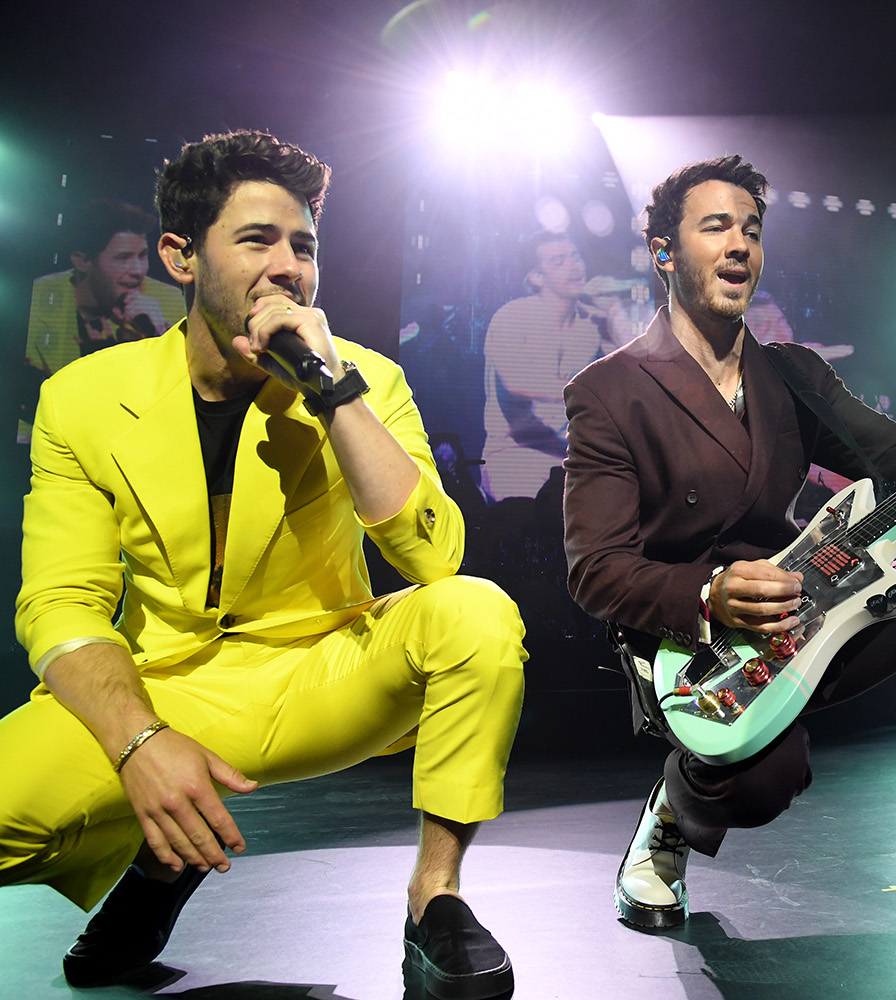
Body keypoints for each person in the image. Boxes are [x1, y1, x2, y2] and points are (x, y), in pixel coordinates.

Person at [0, 131, 525, 998]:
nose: (288, 267)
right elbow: (60, 604)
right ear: (180, 256)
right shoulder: (83, 399)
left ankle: (436, 897)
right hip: (162, 688)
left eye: (304, 246)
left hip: (324, 671)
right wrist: (138, 740)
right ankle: (157, 869)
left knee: (476, 609)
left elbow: (435, 556)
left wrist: (331, 390)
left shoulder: (366, 379)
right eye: (256, 241)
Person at [562, 154, 896, 929]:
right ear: (662, 251)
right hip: (704, 652)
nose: (739, 246)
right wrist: (709, 593)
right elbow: (597, 570)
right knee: (762, 787)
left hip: (816, 608)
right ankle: (670, 818)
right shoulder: (608, 391)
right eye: (715, 226)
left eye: (750, 230)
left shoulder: (789, 373)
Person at [479, 231, 636, 501]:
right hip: (515, 458)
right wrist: (595, 393)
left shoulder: (592, 322)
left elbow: (637, 369)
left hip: (575, 458)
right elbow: (517, 380)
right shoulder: (512, 317)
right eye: (559, 261)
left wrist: (614, 312)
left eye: (575, 256)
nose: (574, 266)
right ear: (537, 277)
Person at [21, 199, 186, 441]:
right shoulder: (42, 296)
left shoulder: (167, 299)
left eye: (142, 256)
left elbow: (184, 402)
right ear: (83, 261)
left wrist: (159, 332)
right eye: (123, 258)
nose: (138, 270)